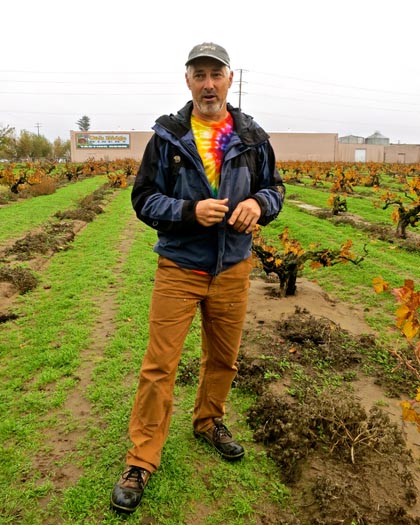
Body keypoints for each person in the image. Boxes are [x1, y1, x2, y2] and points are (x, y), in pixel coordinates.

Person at [110, 42, 285, 514]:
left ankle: (209, 422)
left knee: (223, 359)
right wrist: (189, 211)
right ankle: (141, 458)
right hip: (179, 267)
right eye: (199, 74)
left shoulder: (252, 137)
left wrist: (259, 205)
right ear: (187, 81)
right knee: (159, 366)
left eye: (216, 74)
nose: (208, 84)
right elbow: (143, 199)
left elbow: (276, 188)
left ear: (230, 79)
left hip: (232, 268)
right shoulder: (167, 138)